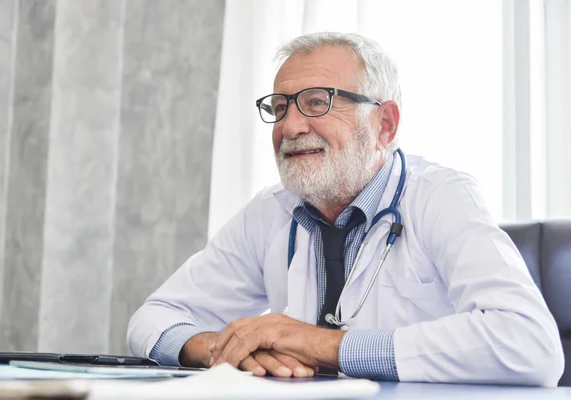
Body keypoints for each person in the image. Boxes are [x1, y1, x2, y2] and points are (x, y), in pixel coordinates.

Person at [127, 32, 564, 385]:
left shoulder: (442, 196)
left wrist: (322, 345)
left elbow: (529, 345)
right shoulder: (272, 211)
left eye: (317, 102)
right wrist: (224, 348)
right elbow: (152, 319)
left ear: (384, 124)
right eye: (279, 107)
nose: (290, 126)